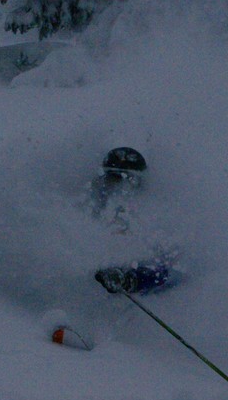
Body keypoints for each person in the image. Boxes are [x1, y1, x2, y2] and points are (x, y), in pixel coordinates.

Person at [49, 147, 178, 348]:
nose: (119, 187)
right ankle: (66, 323)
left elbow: (171, 271)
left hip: (137, 302)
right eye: (112, 179)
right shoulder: (86, 208)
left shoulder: (153, 219)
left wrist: (131, 279)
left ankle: (108, 343)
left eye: (128, 181)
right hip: (90, 295)